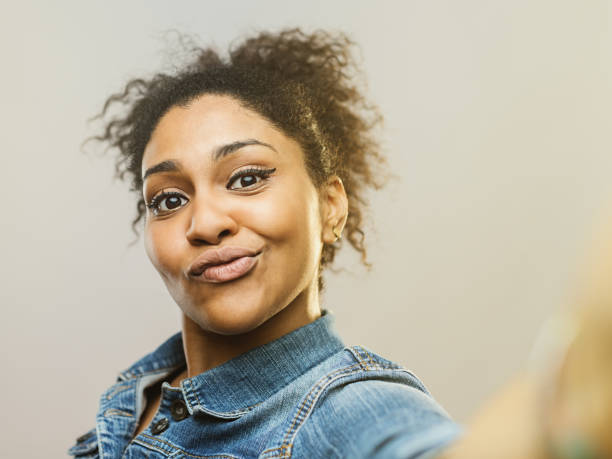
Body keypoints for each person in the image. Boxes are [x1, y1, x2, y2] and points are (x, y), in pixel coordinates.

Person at [69, 28, 612, 459]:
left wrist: (569, 403)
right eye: (168, 199)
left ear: (330, 206)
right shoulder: (141, 395)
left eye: (247, 177)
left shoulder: (350, 408)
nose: (206, 223)